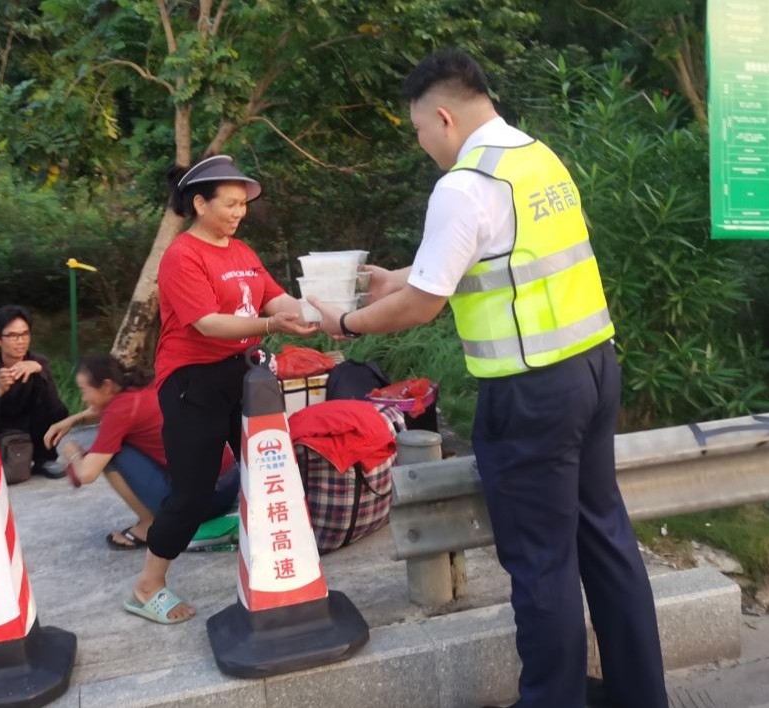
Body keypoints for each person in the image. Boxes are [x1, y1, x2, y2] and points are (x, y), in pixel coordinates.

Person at [309, 50, 668, 708]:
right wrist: (399, 279)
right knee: (606, 540)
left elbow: (424, 304)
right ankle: (641, 696)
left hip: (530, 393)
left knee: (542, 562)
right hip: (593, 368)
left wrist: (348, 323)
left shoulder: (464, 183)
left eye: (420, 130)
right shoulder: (535, 157)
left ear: (444, 117)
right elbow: (490, 258)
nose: (423, 144)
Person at [125, 155, 318, 625]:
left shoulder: (241, 252)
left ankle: (276, 567)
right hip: (192, 381)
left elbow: (276, 298)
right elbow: (208, 324)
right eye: (229, 203)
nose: (239, 212)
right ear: (199, 203)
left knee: (269, 469)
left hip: (243, 374)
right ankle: (147, 586)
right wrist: (272, 324)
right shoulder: (182, 256)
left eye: (242, 204)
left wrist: (330, 312)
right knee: (192, 492)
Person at [43, 354, 239, 550]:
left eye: (84, 391)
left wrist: (74, 454)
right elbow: (102, 410)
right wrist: (71, 421)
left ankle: (148, 525)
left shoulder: (120, 411)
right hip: (229, 486)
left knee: (112, 454)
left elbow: (87, 474)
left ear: (107, 386)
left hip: (205, 502)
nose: (83, 398)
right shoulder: (146, 385)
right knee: (117, 444)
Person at [0, 305, 69, 480]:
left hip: (30, 425)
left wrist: (40, 372)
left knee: (58, 410)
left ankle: (44, 459)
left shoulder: (38, 362)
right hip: (0, 429)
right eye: (12, 335)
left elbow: (56, 407)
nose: (21, 341)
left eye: (25, 334)